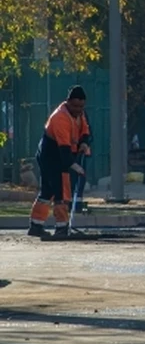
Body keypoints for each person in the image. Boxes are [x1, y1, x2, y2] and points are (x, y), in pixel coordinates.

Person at [27, 86, 91, 238]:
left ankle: (35, 226)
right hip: (51, 156)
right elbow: (63, 149)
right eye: (75, 106)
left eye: (81, 106)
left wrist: (83, 142)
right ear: (68, 102)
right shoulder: (60, 118)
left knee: (47, 192)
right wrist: (75, 166)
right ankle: (62, 227)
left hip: (60, 155)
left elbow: (85, 132)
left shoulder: (79, 115)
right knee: (60, 192)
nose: (78, 109)